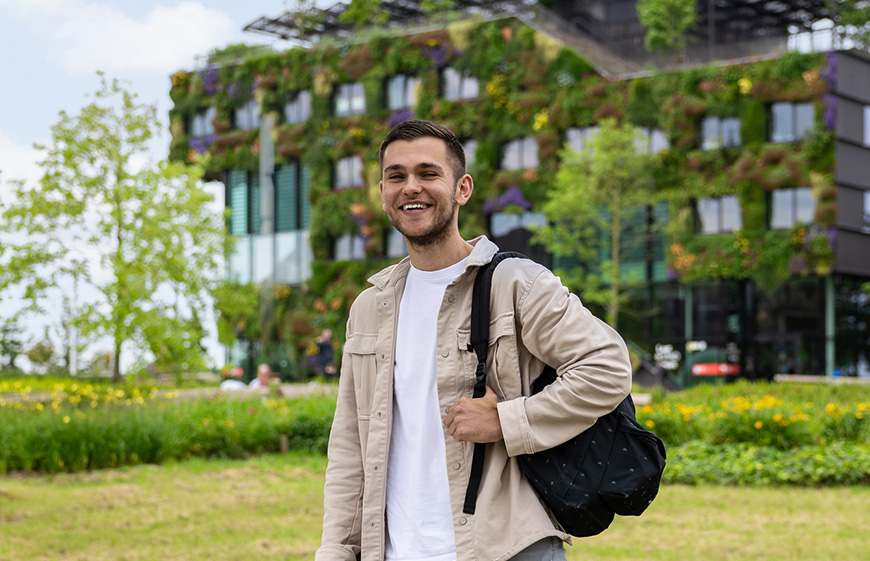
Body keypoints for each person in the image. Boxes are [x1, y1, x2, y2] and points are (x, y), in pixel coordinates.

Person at [316, 121, 632, 561]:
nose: (411, 187)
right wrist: (336, 550)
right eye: (396, 176)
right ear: (384, 192)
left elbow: (607, 368)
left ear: (462, 188)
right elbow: (351, 445)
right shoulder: (371, 307)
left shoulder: (516, 284)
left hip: (505, 548)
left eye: (428, 173)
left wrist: (506, 421)